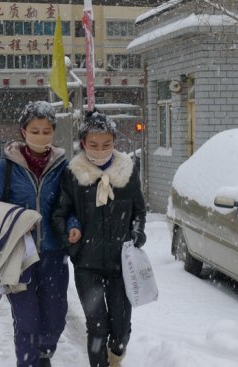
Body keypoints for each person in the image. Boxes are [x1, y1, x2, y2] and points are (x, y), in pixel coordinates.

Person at [0, 101, 77, 367]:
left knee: (56, 316)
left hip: (54, 252)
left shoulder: (63, 166)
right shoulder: (8, 166)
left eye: (46, 131)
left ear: (53, 132)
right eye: (35, 130)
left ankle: (43, 354)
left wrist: (73, 225)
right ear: (23, 131)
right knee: (27, 318)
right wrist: (17, 220)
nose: (41, 136)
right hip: (19, 255)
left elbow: (70, 205)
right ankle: (28, 361)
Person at [52, 109, 147, 367]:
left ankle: (115, 357)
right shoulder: (73, 173)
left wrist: (136, 233)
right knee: (96, 328)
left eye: (106, 144)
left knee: (120, 329)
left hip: (121, 265)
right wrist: (73, 239)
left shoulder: (127, 172)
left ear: (114, 142)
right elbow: (62, 212)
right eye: (93, 144)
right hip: (87, 266)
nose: (100, 149)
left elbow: (138, 210)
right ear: (83, 143)